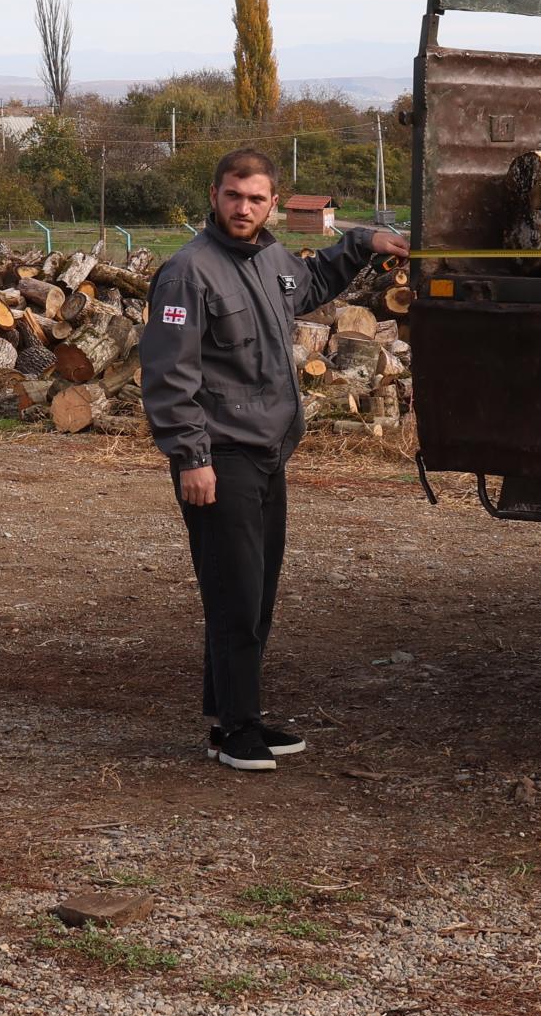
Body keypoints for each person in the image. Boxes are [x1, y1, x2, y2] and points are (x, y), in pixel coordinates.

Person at [137, 150, 406, 770]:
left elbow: (311, 284)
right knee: (233, 592)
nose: (244, 208)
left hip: (267, 453)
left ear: (273, 204)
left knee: (256, 593)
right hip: (219, 455)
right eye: (234, 196)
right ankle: (236, 732)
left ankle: (236, 716)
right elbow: (168, 373)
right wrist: (190, 457)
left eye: (257, 199)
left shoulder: (272, 260)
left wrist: (366, 241)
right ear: (214, 194)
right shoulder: (188, 273)